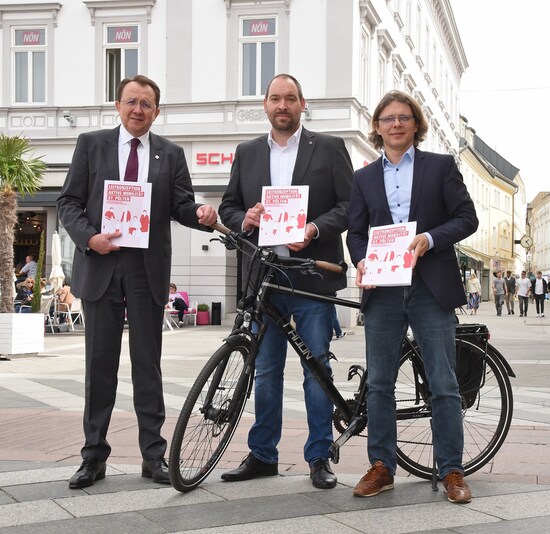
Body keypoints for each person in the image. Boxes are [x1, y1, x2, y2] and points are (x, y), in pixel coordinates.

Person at [57, 74, 217, 490]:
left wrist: (199, 214)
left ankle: (153, 457)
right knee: (99, 366)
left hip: (146, 271)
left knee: (148, 365)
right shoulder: (91, 145)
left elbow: (180, 205)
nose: (138, 109)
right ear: (118, 105)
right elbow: (68, 202)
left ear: (157, 111)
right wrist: (89, 238)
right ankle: (93, 457)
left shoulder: (171, 154)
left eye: (147, 103)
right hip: (101, 265)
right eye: (131, 101)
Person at [218, 73, 353, 490]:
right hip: (264, 278)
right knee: (265, 370)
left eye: (290, 99)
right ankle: (263, 455)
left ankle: (318, 457)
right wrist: (246, 220)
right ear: (265, 105)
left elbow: (350, 206)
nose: (282, 106)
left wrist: (312, 229)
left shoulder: (329, 149)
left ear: (302, 103)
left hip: (311, 277)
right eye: (275, 99)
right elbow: (228, 207)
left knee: (317, 369)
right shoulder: (247, 151)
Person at [346, 90, 478, 504]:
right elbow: (355, 233)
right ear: (378, 126)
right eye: (388, 118)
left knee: (443, 382)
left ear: (416, 125)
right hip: (383, 288)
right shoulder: (363, 177)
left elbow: (467, 218)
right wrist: (360, 261)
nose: (396, 124)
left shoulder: (439, 167)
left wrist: (430, 238)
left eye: (404, 117)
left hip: (430, 286)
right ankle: (382, 466)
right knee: (380, 383)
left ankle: (452, 469)